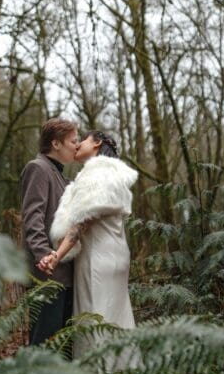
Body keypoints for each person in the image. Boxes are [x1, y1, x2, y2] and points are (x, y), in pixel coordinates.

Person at [40, 130, 138, 359]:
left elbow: (81, 223)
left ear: (96, 143)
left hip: (97, 257)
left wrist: (57, 255)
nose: (77, 145)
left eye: (82, 140)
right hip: (116, 252)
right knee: (116, 317)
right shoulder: (113, 175)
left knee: (95, 316)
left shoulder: (95, 174)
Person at [19, 118, 78, 345]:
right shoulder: (38, 168)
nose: (76, 145)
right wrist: (43, 254)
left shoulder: (62, 177)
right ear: (56, 143)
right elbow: (32, 217)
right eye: (73, 141)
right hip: (47, 273)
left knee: (61, 347)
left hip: (65, 274)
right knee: (44, 344)